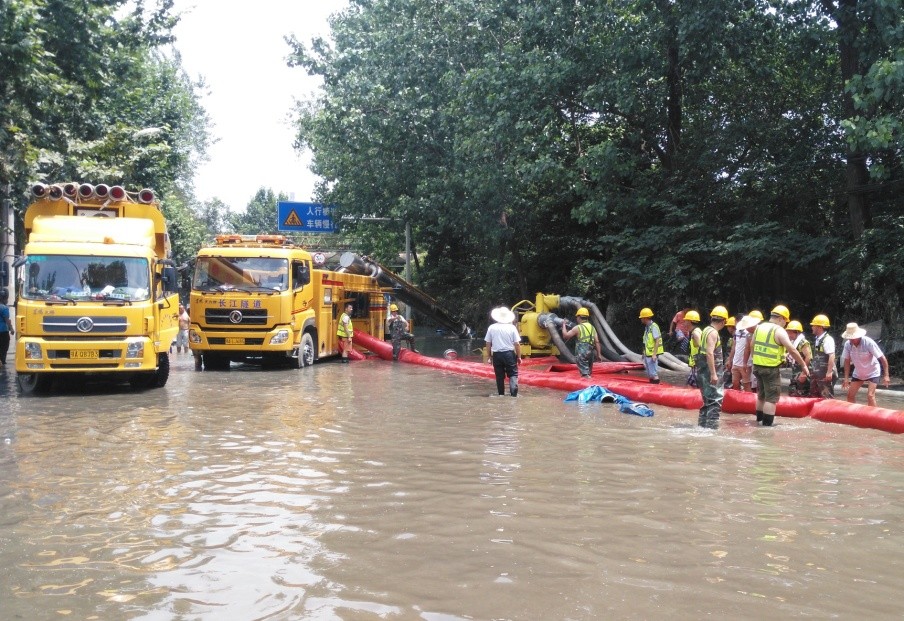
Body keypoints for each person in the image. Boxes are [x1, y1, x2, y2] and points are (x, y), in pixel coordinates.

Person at [751, 305, 810, 426]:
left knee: (761, 396)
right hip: (770, 369)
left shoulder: (759, 327)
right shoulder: (778, 331)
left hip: (757, 366)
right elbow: (792, 350)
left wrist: (755, 359)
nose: (785, 324)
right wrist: (803, 365)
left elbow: (752, 345)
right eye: (785, 321)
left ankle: (758, 422)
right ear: (781, 318)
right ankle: (766, 427)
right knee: (771, 399)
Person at [840, 322, 890, 407]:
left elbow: (882, 358)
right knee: (850, 395)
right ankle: (854, 414)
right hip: (859, 372)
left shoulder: (868, 342)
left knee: (870, 396)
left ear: (858, 336)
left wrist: (886, 375)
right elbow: (846, 361)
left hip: (873, 371)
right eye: (850, 338)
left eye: (853, 338)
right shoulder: (848, 344)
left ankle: (874, 415)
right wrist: (846, 378)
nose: (851, 340)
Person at [696, 306, 729, 429]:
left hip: (703, 370)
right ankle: (711, 429)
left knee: (707, 401)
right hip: (710, 371)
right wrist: (714, 374)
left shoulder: (706, 330)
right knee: (715, 400)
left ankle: (702, 427)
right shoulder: (713, 333)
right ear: (723, 321)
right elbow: (709, 353)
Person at [485, 306, 522, 396]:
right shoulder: (512, 328)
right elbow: (517, 344)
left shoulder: (491, 328)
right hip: (509, 354)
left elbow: (488, 343)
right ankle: (514, 396)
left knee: (499, 376)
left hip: (497, 355)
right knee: (513, 374)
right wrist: (519, 357)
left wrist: (489, 357)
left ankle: (501, 394)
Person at [561, 307, 602, 378]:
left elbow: (565, 336)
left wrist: (563, 325)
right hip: (591, 353)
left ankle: (586, 380)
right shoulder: (592, 328)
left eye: (577, 317)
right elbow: (597, 342)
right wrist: (599, 354)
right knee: (588, 372)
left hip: (582, 353)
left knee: (585, 375)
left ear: (579, 317)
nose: (576, 318)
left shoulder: (578, 327)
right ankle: (589, 381)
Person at [809, 314, 836, 398]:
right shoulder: (818, 339)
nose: (812, 327)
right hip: (817, 374)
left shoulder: (827, 340)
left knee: (827, 397)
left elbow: (832, 355)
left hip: (824, 374)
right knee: (815, 396)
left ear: (820, 327)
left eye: (814, 325)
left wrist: (829, 372)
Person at [785, 320, 812, 396]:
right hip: (796, 372)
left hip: (801, 372)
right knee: (792, 392)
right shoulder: (793, 342)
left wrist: (804, 373)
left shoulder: (803, 343)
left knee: (802, 393)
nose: (788, 335)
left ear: (796, 332)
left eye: (790, 333)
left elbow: (808, 357)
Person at [726, 315, 752, 391]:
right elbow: (734, 346)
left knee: (746, 384)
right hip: (736, 363)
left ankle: (748, 398)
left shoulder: (748, 333)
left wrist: (745, 363)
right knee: (735, 383)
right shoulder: (736, 332)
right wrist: (730, 360)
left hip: (745, 364)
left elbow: (749, 348)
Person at [639, 307, 663, 384]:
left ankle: (656, 386)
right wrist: (644, 352)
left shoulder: (653, 327)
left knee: (653, 373)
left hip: (652, 353)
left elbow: (657, 340)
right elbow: (646, 341)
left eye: (642, 318)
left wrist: (654, 354)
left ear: (645, 318)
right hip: (648, 353)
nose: (641, 319)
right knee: (650, 373)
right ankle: (652, 385)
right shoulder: (647, 327)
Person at [683, 310, 702, 387]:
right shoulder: (696, 331)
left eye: (685, 321)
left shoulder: (695, 333)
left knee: (694, 385)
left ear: (689, 321)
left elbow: (700, 346)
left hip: (696, 363)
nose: (684, 323)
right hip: (695, 363)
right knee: (690, 384)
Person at [0, 291, 13, 367]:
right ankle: (2, 361)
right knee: (4, 347)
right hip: (3, 331)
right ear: (3, 298)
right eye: (6, 298)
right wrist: (11, 328)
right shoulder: (4, 308)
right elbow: (7, 320)